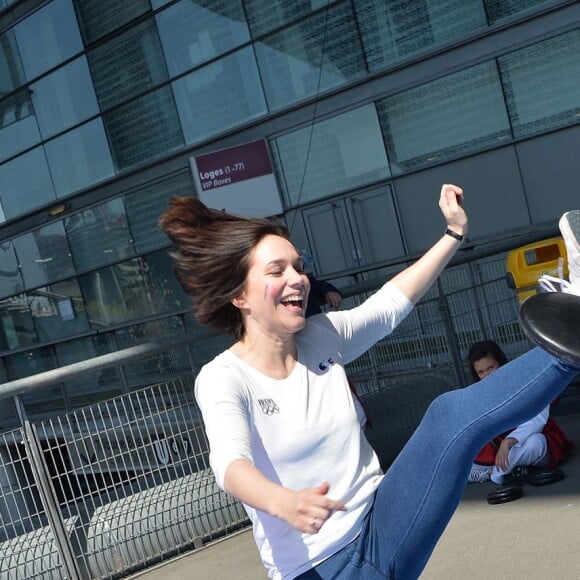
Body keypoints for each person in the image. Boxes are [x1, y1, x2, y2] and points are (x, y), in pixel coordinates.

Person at [159, 188, 580, 580]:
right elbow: (231, 466)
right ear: (240, 297)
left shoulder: (318, 336)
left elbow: (390, 304)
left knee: (447, 416)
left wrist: (454, 233)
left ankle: (574, 324)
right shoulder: (224, 378)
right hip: (328, 567)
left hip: (382, 517)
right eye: (277, 270)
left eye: (299, 267)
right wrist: (281, 501)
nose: (298, 279)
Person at [466, 339, 574, 484]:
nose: (487, 376)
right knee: (464, 465)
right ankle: (505, 469)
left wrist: (508, 442)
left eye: (491, 368)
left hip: (531, 444)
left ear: (501, 363)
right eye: (481, 372)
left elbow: (537, 420)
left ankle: (496, 473)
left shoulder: (523, 382)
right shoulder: (478, 396)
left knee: (536, 442)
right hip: (503, 452)